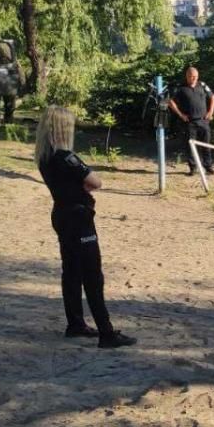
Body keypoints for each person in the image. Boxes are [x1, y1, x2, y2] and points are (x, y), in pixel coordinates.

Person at [34, 105, 136, 349]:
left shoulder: (44, 157)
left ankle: (75, 323)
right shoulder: (66, 157)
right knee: (92, 275)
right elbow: (95, 182)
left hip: (61, 214)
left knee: (71, 271)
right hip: (78, 218)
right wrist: (84, 185)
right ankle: (106, 332)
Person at [168, 66, 214, 175]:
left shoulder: (202, 85)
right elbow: (170, 101)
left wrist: (211, 112)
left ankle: (208, 167)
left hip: (203, 120)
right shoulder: (181, 88)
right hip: (190, 122)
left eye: (195, 76)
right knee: (191, 146)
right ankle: (193, 168)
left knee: (206, 145)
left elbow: (213, 97)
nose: (193, 78)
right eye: (191, 76)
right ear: (187, 76)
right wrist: (181, 115)